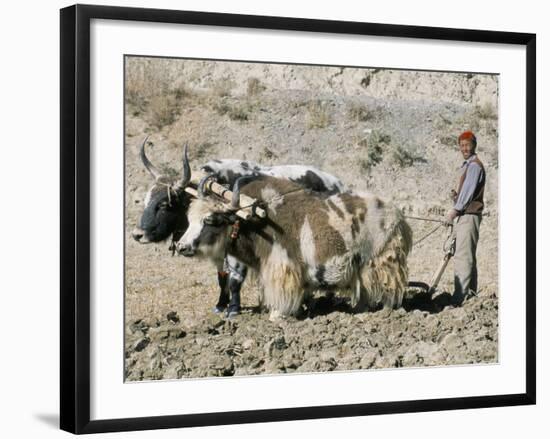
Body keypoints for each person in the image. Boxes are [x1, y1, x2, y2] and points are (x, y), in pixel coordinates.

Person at [445, 131, 486, 305]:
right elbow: (465, 193)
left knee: (462, 256)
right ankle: (470, 295)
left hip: (469, 216)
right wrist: (456, 197)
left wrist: (454, 211)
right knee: (467, 255)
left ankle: (460, 297)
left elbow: (468, 194)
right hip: (467, 215)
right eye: (462, 145)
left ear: (474, 145)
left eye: (467, 145)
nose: (465, 148)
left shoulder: (474, 166)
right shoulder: (467, 165)